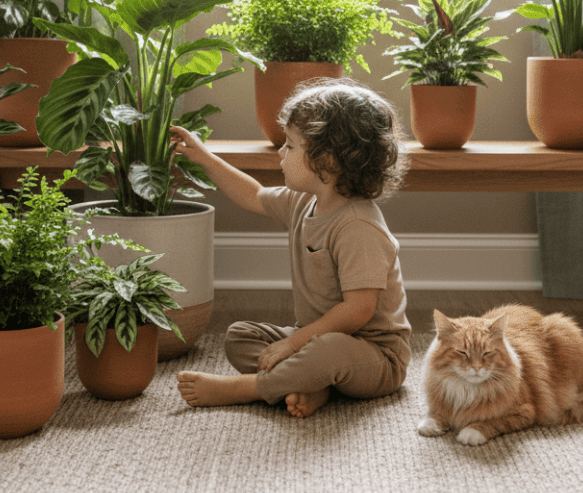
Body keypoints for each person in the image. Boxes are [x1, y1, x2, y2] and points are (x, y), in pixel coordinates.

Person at [171, 78, 412, 418]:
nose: (281, 154)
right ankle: (313, 385)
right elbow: (253, 195)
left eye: (291, 146)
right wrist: (204, 158)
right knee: (240, 336)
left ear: (326, 160)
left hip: (375, 355)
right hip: (313, 338)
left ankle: (249, 389)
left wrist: (293, 344)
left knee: (329, 350)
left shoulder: (358, 225)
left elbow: (357, 310)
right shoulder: (303, 201)